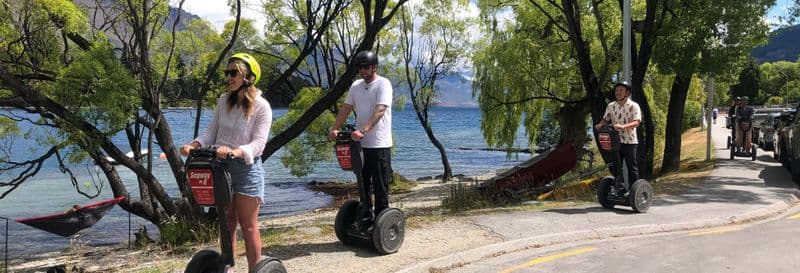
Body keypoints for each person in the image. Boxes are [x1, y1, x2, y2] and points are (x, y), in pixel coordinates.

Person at [180, 53, 272, 272]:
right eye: (227, 73)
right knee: (227, 222)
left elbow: (259, 144)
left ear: (248, 77)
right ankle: (227, 270)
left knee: (248, 226)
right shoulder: (223, 101)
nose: (229, 77)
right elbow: (211, 132)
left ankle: (255, 270)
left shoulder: (262, 106)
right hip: (221, 168)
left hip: (247, 170)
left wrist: (236, 151)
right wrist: (194, 144)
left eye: (234, 73)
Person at [328, 50, 394, 217]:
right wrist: (334, 128)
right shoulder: (356, 86)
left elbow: (380, 110)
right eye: (360, 67)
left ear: (374, 67)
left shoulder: (383, 84)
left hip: (379, 144)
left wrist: (363, 130)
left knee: (380, 185)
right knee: (363, 183)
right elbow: (346, 108)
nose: (362, 70)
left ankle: (382, 218)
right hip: (360, 145)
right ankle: (366, 215)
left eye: (366, 67)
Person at [594, 81, 642, 188]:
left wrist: (623, 126)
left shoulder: (634, 106)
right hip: (615, 141)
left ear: (627, 93)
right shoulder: (611, 106)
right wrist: (600, 124)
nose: (618, 92)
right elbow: (605, 119)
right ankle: (619, 188)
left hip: (630, 141)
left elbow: (637, 122)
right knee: (616, 166)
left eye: (621, 90)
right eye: (616, 90)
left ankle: (634, 190)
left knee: (631, 167)